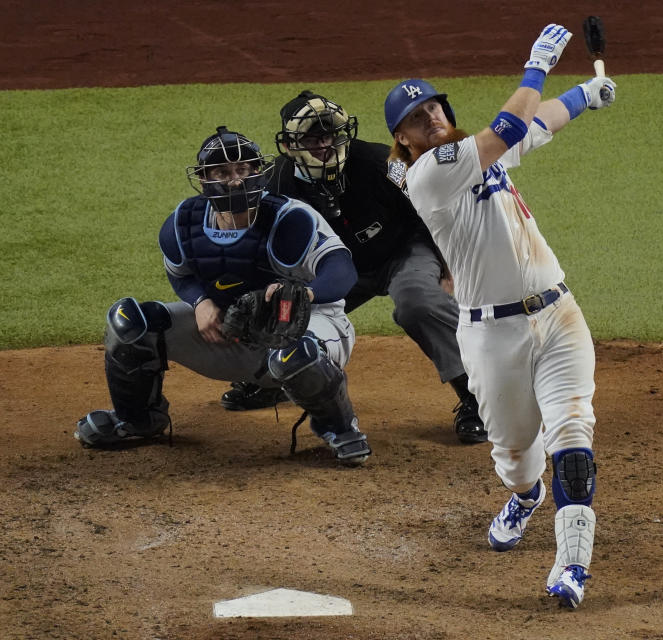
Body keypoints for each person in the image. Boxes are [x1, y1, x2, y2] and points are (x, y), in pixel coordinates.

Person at [383, 24, 616, 608]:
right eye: (416, 117)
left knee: (572, 431)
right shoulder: (429, 174)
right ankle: (525, 493)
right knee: (515, 454)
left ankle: (572, 565)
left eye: (434, 107)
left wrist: (587, 96)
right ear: (404, 141)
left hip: (558, 314)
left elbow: (535, 127)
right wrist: (536, 64)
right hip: (491, 335)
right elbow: (511, 123)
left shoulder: (478, 154)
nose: (431, 117)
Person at [74, 126, 372, 465]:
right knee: (128, 322)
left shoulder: (289, 219)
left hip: (310, 327)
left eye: (243, 170)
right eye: (223, 172)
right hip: (232, 339)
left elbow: (342, 269)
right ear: (204, 179)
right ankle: (136, 420)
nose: (235, 180)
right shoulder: (183, 225)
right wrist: (200, 303)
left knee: (297, 354)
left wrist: (302, 293)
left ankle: (341, 428)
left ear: (258, 172)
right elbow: (181, 276)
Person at [217, 90, 487, 445]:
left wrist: (449, 265)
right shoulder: (277, 183)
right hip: (336, 269)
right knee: (283, 303)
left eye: (328, 135)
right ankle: (275, 379)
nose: (324, 144)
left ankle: (477, 397)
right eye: (312, 138)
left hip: (402, 251)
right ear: (289, 145)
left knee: (417, 300)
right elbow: (262, 248)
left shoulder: (381, 161)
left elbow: (433, 209)